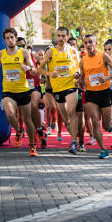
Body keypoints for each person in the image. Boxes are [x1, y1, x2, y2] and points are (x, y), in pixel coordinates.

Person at [0, 28, 38, 157]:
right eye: (7, 38)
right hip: (8, 90)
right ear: (5, 40)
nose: (10, 40)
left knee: (28, 119)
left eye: (12, 37)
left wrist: (28, 67)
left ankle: (32, 145)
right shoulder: (0, 54)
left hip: (23, 90)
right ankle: (18, 130)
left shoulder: (23, 52)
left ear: (16, 38)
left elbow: (34, 70)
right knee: (9, 112)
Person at [38, 27, 81, 155]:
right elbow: (40, 69)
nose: (61, 38)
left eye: (63, 36)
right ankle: (73, 133)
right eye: (59, 36)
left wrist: (78, 74)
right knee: (66, 117)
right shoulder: (51, 52)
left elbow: (79, 67)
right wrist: (50, 73)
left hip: (71, 85)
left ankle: (73, 142)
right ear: (56, 36)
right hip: (57, 88)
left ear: (67, 37)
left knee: (71, 111)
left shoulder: (73, 50)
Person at [80, 34, 112, 159]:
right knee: (95, 121)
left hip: (104, 92)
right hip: (91, 94)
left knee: (106, 125)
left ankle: (110, 127)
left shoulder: (103, 56)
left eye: (90, 42)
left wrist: (106, 77)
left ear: (95, 43)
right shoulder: (83, 60)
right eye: (86, 42)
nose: (88, 45)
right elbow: (82, 78)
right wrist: (79, 81)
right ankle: (103, 149)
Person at [16, 37, 47, 149]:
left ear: (26, 45)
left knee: (34, 105)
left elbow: (43, 65)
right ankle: (24, 131)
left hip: (35, 86)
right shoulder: (15, 58)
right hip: (22, 88)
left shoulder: (32, 55)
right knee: (23, 113)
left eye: (22, 45)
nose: (20, 47)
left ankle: (39, 129)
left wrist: (43, 76)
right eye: (18, 45)